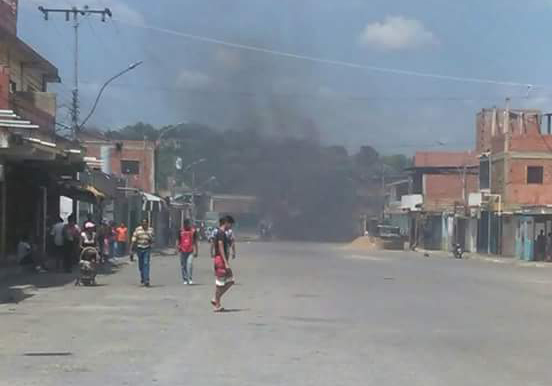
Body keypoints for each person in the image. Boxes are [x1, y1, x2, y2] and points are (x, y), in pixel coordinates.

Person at [211, 215, 235, 312]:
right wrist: (225, 262)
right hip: (220, 260)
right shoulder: (220, 233)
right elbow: (220, 247)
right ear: (226, 222)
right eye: (230, 224)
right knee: (221, 283)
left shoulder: (222, 233)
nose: (231, 227)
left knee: (230, 280)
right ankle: (216, 303)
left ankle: (216, 300)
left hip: (221, 259)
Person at [130, 219, 154, 287]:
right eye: (143, 223)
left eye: (145, 223)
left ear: (147, 223)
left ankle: (146, 280)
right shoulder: (138, 230)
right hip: (139, 249)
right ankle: (143, 277)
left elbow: (152, 240)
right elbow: (134, 239)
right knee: (141, 265)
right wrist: (131, 249)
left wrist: (150, 237)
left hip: (147, 248)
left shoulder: (150, 230)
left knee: (146, 264)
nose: (144, 224)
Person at [177, 219, 199, 284]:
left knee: (189, 264)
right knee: (183, 265)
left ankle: (190, 278)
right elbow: (178, 240)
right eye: (186, 224)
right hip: (182, 250)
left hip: (190, 250)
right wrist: (177, 247)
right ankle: (185, 279)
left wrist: (196, 251)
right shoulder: (180, 231)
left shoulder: (193, 231)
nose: (187, 226)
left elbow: (195, 242)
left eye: (188, 224)